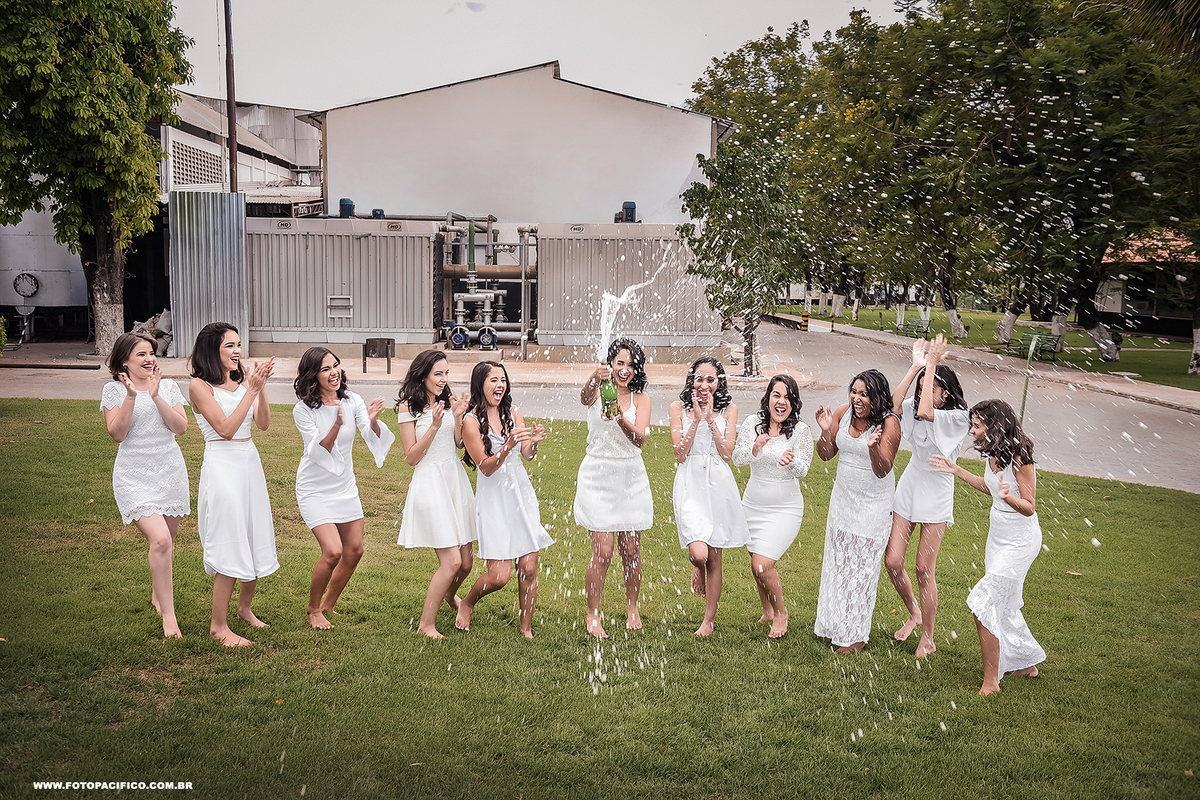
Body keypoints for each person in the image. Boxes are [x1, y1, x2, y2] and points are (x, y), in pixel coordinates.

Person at [931, 399, 1046, 696]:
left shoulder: (1020, 458)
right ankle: (1026, 662)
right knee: (1003, 604)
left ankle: (991, 682)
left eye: (977, 425)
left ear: (994, 426)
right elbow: (989, 486)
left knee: (983, 603)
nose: (971, 431)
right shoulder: (994, 452)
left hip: (1020, 540)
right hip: (997, 538)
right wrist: (956, 470)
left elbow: (1029, 506)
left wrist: (1009, 499)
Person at [188, 322, 278, 647]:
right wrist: (251, 391)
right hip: (222, 465)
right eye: (230, 345)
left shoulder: (242, 384)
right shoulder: (199, 386)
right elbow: (225, 429)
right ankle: (218, 626)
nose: (237, 351)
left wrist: (259, 387)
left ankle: (244, 609)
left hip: (248, 463)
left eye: (238, 344)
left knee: (253, 533)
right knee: (230, 537)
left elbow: (263, 424)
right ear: (212, 350)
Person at [293, 347, 394, 630]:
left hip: (344, 485)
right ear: (313, 375)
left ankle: (328, 605)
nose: (333, 372)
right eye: (325, 369)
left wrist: (371, 420)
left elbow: (370, 434)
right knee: (332, 551)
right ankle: (313, 610)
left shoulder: (352, 400)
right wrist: (336, 425)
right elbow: (318, 451)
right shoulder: (303, 410)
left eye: (335, 365)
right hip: (314, 487)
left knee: (354, 550)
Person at [100, 332, 190, 639]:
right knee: (161, 540)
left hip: (169, 470)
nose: (150, 359)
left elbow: (180, 427)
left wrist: (155, 395)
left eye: (151, 353)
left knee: (169, 539)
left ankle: (157, 595)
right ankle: (169, 616)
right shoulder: (113, 390)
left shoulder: (168, 385)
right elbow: (118, 434)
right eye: (141, 354)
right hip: (134, 474)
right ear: (124, 361)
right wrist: (131, 396)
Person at [885, 335, 969, 658]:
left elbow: (926, 411)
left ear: (945, 393)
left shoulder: (957, 418)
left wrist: (932, 364)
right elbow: (894, 404)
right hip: (910, 484)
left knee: (923, 569)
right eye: (921, 389)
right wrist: (916, 368)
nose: (922, 393)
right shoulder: (917, 406)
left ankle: (929, 636)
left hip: (937, 491)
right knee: (893, 561)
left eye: (930, 388)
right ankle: (914, 612)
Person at [455, 361, 551, 638]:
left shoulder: (513, 411)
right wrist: (508, 444)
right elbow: (486, 468)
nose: (500, 385)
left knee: (529, 569)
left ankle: (526, 628)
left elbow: (527, 455)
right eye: (493, 380)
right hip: (494, 501)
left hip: (521, 495)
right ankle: (468, 602)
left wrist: (533, 441)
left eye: (503, 380)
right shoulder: (470, 422)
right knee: (499, 577)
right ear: (480, 384)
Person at [813, 369, 901, 654]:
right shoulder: (843, 412)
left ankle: (856, 635)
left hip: (873, 505)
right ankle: (835, 624)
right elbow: (825, 454)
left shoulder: (889, 423)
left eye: (864, 394)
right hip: (843, 501)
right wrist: (826, 430)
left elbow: (882, 469)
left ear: (877, 397)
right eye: (854, 392)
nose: (856, 399)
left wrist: (873, 447)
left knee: (862, 570)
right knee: (839, 565)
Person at [573, 337, 653, 639]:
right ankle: (592, 614)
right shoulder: (599, 390)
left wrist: (620, 419)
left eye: (631, 365)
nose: (625, 369)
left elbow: (640, 439)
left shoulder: (641, 399)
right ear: (610, 364)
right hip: (597, 474)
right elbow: (584, 398)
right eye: (620, 363)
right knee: (604, 550)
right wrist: (594, 377)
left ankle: (632, 607)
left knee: (631, 549)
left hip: (630, 475)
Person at [396, 349, 475, 639]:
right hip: (430, 481)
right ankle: (425, 625)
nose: (444, 379)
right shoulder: (408, 407)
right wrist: (434, 426)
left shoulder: (447, 400)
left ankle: (449, 596)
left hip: (453, 480)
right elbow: (411, 457)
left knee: (466, 562)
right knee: (452, 561)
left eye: (446, 373)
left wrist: (458, 417)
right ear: (423, 375)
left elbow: (457, 444)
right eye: (438, 373)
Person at [670, 357, 749, 637]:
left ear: (719, 383)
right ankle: (696, 566)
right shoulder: (678, 408)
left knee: (715, 557)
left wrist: (712, 420)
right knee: (700, 554)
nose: (704, 385)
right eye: (699, 379)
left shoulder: (729, 410)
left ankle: (708, 622)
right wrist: (697, 420)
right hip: (690, 483)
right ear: (692, 381)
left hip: (718, 484)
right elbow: (680, 454)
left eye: (710, 380)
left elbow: (727, 454)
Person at [731, 374, 813, 639]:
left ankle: (780, 613)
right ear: (768, 398)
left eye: (788, 397)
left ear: (794, 403)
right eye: (777, 395)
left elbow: (803, 469)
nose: (781, 402)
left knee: (762, 565)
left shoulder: (800, 430)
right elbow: (737, 458)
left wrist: (790, 462)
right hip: (752, 505)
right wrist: (755, 448)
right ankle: (767, 610)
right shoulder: (752, 423)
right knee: (755, 559)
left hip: (785, 509)